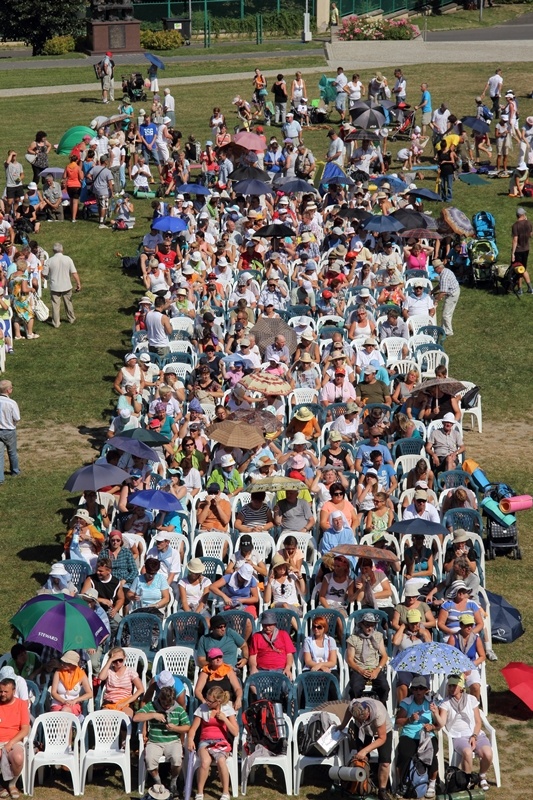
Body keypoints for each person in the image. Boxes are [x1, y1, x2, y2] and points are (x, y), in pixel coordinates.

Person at [434, 675, 493, 791]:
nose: (451, 688)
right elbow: (441, 723)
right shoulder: (445, 703)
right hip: (458, 736)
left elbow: (477, 722)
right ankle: (467, 781)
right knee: (467, 752)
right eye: (449, 686)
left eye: (454, 686)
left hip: (475, 734)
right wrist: (436, 713)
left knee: (488, 754)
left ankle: (481, 775)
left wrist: (474, 736)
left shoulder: (471, 699)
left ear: (461, 687)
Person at [133, 685, 190, 796]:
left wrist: (175, 728)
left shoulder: (178, 709)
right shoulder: (152, 706)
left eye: (170, 704)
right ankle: (159, 783)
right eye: (165, 704)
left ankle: (173, 782)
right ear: (160, 699)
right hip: (154, 741)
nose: (167, 707)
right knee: (149, 760)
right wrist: (153, 715)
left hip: (173, 741)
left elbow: (187, 727)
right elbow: (136, 717)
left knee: (177, 759)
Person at [187, 686, 239, 800]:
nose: (207, 702)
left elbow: (235, 732)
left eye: (210, 701)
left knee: (221, 761)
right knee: (205, 762)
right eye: (207, 699)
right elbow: (193, 729)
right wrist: (190, 739)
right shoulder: (202, 708)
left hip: (221, 742)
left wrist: (224, 719)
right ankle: (200, 792)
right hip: (205, 742)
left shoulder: (226, 709)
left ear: (218, 701)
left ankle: (225, 792)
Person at [336, 698, 393, 800]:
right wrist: (343, 725)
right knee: (361, 759)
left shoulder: (379, 713)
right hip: (363, 730)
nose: (360, 721)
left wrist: (365, 750)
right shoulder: (353, 704)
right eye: (357, 719)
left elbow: (382, 738)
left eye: (362, 719)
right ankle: (362, 786)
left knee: (385, 761)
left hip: (382, 731)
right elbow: (349, 711)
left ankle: (382, 790)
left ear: (367, 713)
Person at [395, 676, 441, 798]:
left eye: (421, 688)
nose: (418, 691)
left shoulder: (431, 703)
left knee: (432, 753)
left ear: (426, 690)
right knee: (404, 754)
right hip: (409, 735)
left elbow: (439, 724)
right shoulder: (406, 702)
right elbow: (398, 721)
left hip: (427, 735)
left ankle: (432, 783)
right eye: (415, 689)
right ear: (412, 690)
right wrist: (409, 719)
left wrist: (432, 726)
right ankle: (403, 783)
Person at [0, 677, 30, 798]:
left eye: (6, 691)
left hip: (14, 740)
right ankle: (1, 785)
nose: (2, 694)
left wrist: (10, 743)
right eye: (0, 691)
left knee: (18, 757)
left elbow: (25, 729)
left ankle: (12, 784)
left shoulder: (21, 705)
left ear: (13, 691)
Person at [81, 556, 125, 635]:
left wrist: (115, 609)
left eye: (101, 571)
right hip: (94, 610)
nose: (98, 572)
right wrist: (101, 600)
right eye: (97, 570)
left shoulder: (116, 582)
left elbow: (121, 598)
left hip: (108, 611)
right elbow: (83, 597)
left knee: (121, 625)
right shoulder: (90, 580)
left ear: (109, 571)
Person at [448, 613, 486, 702]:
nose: (469, 628)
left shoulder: (476, 639)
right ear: (461, 625)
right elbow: (448, 657)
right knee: (454, 687)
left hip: (471, 667)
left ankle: (474, 707)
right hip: (456, 668)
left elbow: (482, 656)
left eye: (471, 625)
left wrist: (471, 665)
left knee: (476, 687)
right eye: (467, 625)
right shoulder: (453, 638)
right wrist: (461, 669)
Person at [42, 242, 81, 328]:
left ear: (53, 250)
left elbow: (44, 274)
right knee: (68, 303)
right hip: (66, 285)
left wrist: (48, 278)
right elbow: (74, 273)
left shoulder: (49, 261)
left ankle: (56, 323)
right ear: (62, 250)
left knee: (55, 305)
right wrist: (78, 283)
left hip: (55, 286)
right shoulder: (68, 259)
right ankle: (71, 318)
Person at [248, 610, 296, 677]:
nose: (267, 627)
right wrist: (253, 667)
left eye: (270, 625)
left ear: (275, 624)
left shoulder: (283, 634)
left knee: (285, 684)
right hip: (262, 669)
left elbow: (289, 655)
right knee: (252, 684)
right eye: (265, 625)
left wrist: (288, 668)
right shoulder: (256, 636)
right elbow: (253, 656)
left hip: (280, 670)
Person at [99, 646, 144, 716]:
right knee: (105, 722)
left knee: (126, 719)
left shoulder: (130, 671)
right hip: (110, 702)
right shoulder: (109, 671)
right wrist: (110, 661)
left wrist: (125, 702)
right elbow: (101, 677)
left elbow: (141, 689)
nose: (118, 663)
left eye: (120, 660)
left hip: (125, 702)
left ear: (124, 658)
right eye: (115, 660)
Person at [50, 650, 92, 717]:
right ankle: (68, 728)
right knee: (65, 711)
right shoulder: (58, 672)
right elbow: (53, 692)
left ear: (73, 664)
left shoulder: (81, 675)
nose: (62, 664)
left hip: (73, 705)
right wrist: (64, 701)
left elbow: (90, 694)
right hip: (58, 703)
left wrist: (76, 700)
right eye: (62, 662)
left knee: (65, 710)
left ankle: (66, 727)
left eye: (65, 662)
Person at [432, 258, 460, 336]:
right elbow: (440, 285)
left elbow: (443, 292)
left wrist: (436, 300)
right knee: (446, 311)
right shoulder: (446, 271)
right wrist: (432, 291)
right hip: (454, 291)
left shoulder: (444, 276)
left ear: (438, 268)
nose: (434, 271)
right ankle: (443, 328)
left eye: (434, 269)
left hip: (452, 294)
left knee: (446, 314)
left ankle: (448, 331)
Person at [0, 379, 21, 485]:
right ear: (9, 390)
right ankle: (15, 471)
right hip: (9, 430)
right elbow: (17, 418)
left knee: (0, 455)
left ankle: (0, 478)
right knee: (12, 452)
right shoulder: (12, 403)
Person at [88, 155, 114, 228]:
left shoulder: (95, 168)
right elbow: (110, 183)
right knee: (104, 206)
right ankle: (101, 222)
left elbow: (88, 175)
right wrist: (112, 192)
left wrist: (93, 180)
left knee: (99, 205)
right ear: (105, 161)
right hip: (103, 191)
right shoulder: (107, 171)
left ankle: (101, 218)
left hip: (95, 190)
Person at [511, 207, 533, 294]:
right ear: (523, 215)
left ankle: (520, 290)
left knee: (519, 269)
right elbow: (531, 235)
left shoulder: (515, 226)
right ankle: (529, 288)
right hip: (526, 249)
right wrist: (527, 222)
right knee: (523, 268)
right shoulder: (529, 223)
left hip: (518, 250)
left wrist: (513, 253)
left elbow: (515, 240)